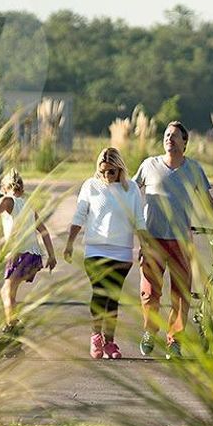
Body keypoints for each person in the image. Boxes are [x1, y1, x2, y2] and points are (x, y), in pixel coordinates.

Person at [133, 120, 213, 357]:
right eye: (166, 135)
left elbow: (208, 202)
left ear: (185, 143)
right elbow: (130, 192)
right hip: (153, 239)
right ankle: (149, 331)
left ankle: (175, 340)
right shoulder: (149, 165)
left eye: (174, 136)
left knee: (180, 294)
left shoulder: (194, 169)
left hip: (181, 241)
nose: (169, 139)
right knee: (149, 292)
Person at [64, 147, 147, 359]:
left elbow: (139, 220)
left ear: (120, 169)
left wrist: (145, 246)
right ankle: (96, 337)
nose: (107, 176)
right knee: (100, 293)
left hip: (122, 252)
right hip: (95, 250)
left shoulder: (131, 189)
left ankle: (109, 342)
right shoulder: (91, 186)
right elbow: (79, 216)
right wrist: (70, 243)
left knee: (113, 298)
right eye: (102, 171)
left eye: (111, 171)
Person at [0, 168, 57, 353]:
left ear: (4, 187)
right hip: (33, 257)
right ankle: (13, 330)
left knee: (6, 291)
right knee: (7, 292)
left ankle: (13, 330)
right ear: (22, 188)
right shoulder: (29, 206)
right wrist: (51, 255)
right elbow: (44, 231)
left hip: (20, 254)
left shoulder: (7, 200)